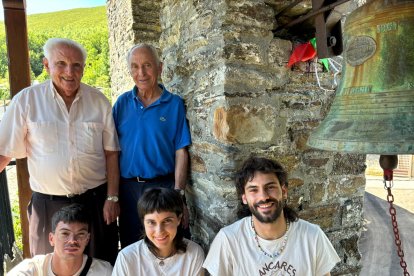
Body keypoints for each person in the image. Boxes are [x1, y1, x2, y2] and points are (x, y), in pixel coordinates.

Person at [0, 38, 120, 264]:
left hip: (94, 203)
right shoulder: (26, 101)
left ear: (83, 68)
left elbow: (111, 153)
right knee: (48, 267)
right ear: (46, 65)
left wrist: (112, 197)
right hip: (47, 206)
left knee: (100, 265)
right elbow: (4, 151)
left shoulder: (99, 102)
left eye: (76, 65)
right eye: (61, 63)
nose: (69, 71)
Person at [203, 156, 341, 276]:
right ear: (244, 198)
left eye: (270, 187)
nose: (263, 197)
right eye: (254, 190)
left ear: (284, 191)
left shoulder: (313, 236)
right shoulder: (228, 240)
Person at [112, 43, 191, 248]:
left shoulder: (174, 104)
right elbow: (110, 149)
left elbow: (181, 151)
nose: (141, 73)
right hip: (129, 190)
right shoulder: (122, 104)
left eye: (147, 65)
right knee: (132, 246)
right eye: (135, 67)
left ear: (160, 67)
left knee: (167, 246)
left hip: (163, 187)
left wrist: (179, 193)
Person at [112, 187, 204, 275]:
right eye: (151, 222)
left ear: (179, 219)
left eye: (167, 221)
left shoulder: (194, 254)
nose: (159, 231)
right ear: (143, 222)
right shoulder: (126, 258)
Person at [8, 204, 112, 276]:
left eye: (80, 234)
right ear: (51, 239)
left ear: (87, 239)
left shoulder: (105, 271)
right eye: (65, 234)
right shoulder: (33, 269)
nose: (72, 240)